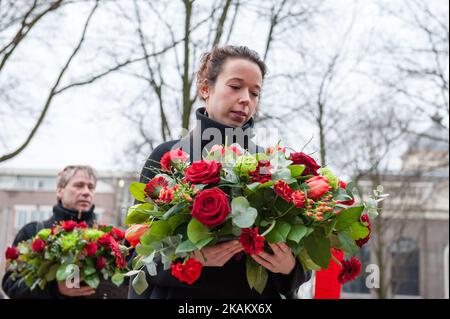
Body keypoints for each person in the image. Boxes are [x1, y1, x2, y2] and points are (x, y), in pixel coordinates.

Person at [129, 45, 311, 299]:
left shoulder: (273, 165)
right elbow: (135, 254)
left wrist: (290, 268)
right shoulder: (166, 157)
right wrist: (190, 259)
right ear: (205, 88)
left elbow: (302, 259)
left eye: (255, 92)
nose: (246, 99)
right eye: (235, 87)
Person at [2, 165, 101, 298]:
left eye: (91, 187)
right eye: (79, 185)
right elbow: (11, 285)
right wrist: (54, 290)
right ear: (60, 191)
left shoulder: (106, 238)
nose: (86, 192)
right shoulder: (33, 231)